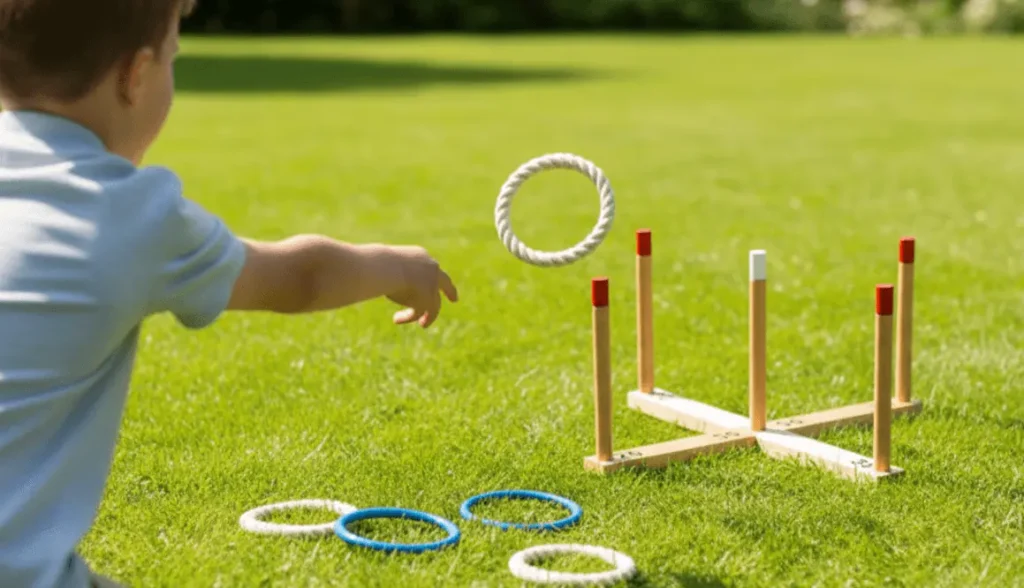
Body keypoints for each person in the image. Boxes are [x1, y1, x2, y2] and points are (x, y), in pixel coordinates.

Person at [0, 1, 460, 586]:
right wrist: (397, 267)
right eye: (172, 58)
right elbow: (299, 278)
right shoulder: (127, 214)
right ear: (135, 76)